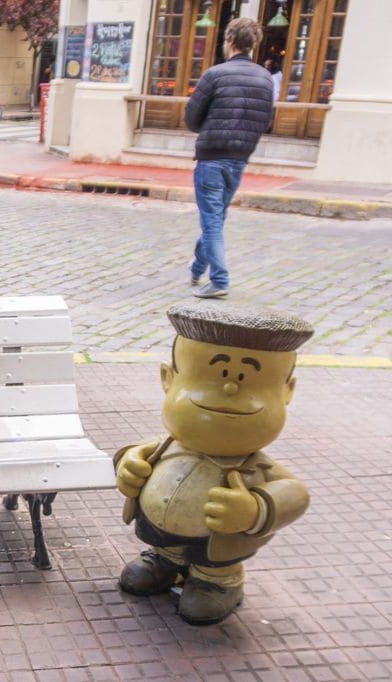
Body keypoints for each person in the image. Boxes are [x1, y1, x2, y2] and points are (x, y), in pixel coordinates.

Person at [114, 303, 311, 625]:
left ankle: (217, 582)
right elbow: (140, 452)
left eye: (248, 380)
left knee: (211, 573)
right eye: (214, 374)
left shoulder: (255, 465)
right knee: (160, 556)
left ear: (286, 392)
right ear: (168, 378)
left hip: (219, 543)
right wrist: (129, 462)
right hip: (160, 529)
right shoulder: (168, 445)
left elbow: (294, 493)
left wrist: (255, 509)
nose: (230, 387)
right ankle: (165, 561)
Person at [184, 18, 274, 299]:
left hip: (212, 157)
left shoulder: (215, 75)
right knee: (215, 218)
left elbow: (191, 117)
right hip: (239, 158)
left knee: (211, 220)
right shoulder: (265, 79)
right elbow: (265, 120)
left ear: (230, 40)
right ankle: (197, 268)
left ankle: (219, 279)